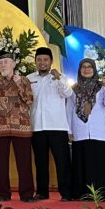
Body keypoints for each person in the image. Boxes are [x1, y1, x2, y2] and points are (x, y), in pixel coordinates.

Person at [26, 47, 75, 201]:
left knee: (62, 161)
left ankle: (66, 193)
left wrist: (59, 78)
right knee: (40, 161)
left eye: (46, 60)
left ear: (51, 61)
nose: (42, 63)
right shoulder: (29, 78)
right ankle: (42, 192)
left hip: (57, 126)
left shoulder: (60, 77)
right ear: (35, 61)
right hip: (37, 126)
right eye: (39, 60)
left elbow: (68, 93)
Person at [67, 59, 105, 200]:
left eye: (90, 67)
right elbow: (69, 109)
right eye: (83, 67)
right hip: (80, 131)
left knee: (101, 164)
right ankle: (84, 193)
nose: (87, 69)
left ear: (94, 69)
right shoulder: (74, 88)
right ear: (79, 70)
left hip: (100, 132)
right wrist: (69, 130)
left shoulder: (101, 87)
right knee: (83, 164)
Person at [0, 53, 36, 203]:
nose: (3, 65)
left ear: (14, 64)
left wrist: (19, 84)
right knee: (1, 164)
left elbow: (29, 101)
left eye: (6, 62)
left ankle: (27, 194)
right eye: (0, 62)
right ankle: (3, 194)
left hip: (21, 127)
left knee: (24, 163)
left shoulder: (24, 80)